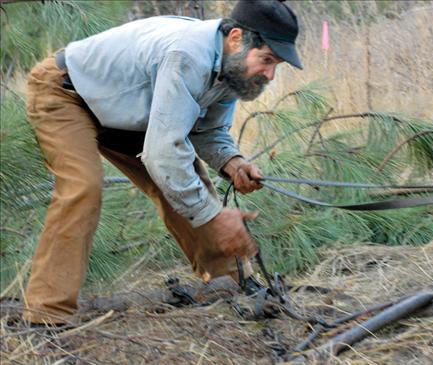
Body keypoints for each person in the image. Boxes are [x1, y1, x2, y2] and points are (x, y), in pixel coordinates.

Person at [23, 0, 302, 325]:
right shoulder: (187, 54)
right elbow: (163, 152)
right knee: (82, 188)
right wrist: (214, 217)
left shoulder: (231, 69)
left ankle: (234, 284)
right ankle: (46, 316)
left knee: (188, 179)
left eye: (276, 65)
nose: (269, 74)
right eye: (266, 60)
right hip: (65, 92)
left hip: (124, 113)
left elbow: (209, 130)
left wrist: (233, 162)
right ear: (237, 38)